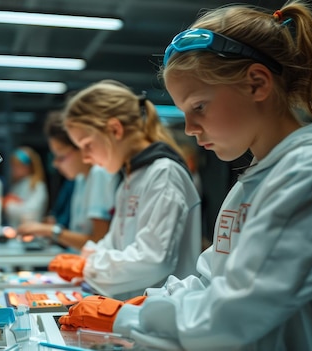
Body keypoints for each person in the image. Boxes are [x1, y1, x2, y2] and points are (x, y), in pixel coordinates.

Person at [57, 2, 312, 350]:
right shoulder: (256, 179)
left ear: (257, 84)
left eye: (199, 107)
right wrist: (147, 303)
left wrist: (126, 317)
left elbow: (235, 314)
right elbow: (211, 279)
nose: (190, 129)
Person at [49, 80, 202, 300]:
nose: (85, 158)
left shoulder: (164, 173)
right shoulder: (129, 179)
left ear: (114, 129)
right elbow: (114, 244)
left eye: (87, 145)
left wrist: (88, 267)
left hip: (161, 313)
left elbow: (153, 260)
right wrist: (87, 257)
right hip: (133, 310)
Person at [17, 111, 117, 251]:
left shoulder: (99, 173)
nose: (55, 164)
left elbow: (98, 241)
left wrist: (50, 231)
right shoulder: (81, 179)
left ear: (81, 148)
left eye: (61, 156)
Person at [2, 146, 49, 228]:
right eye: (13, 165)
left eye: (17, 165)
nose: (13, 169)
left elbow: (31, 212)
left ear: (28, 166)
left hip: (33, 233)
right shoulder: (17, 185)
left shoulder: (37, 186)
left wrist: (7, 204)